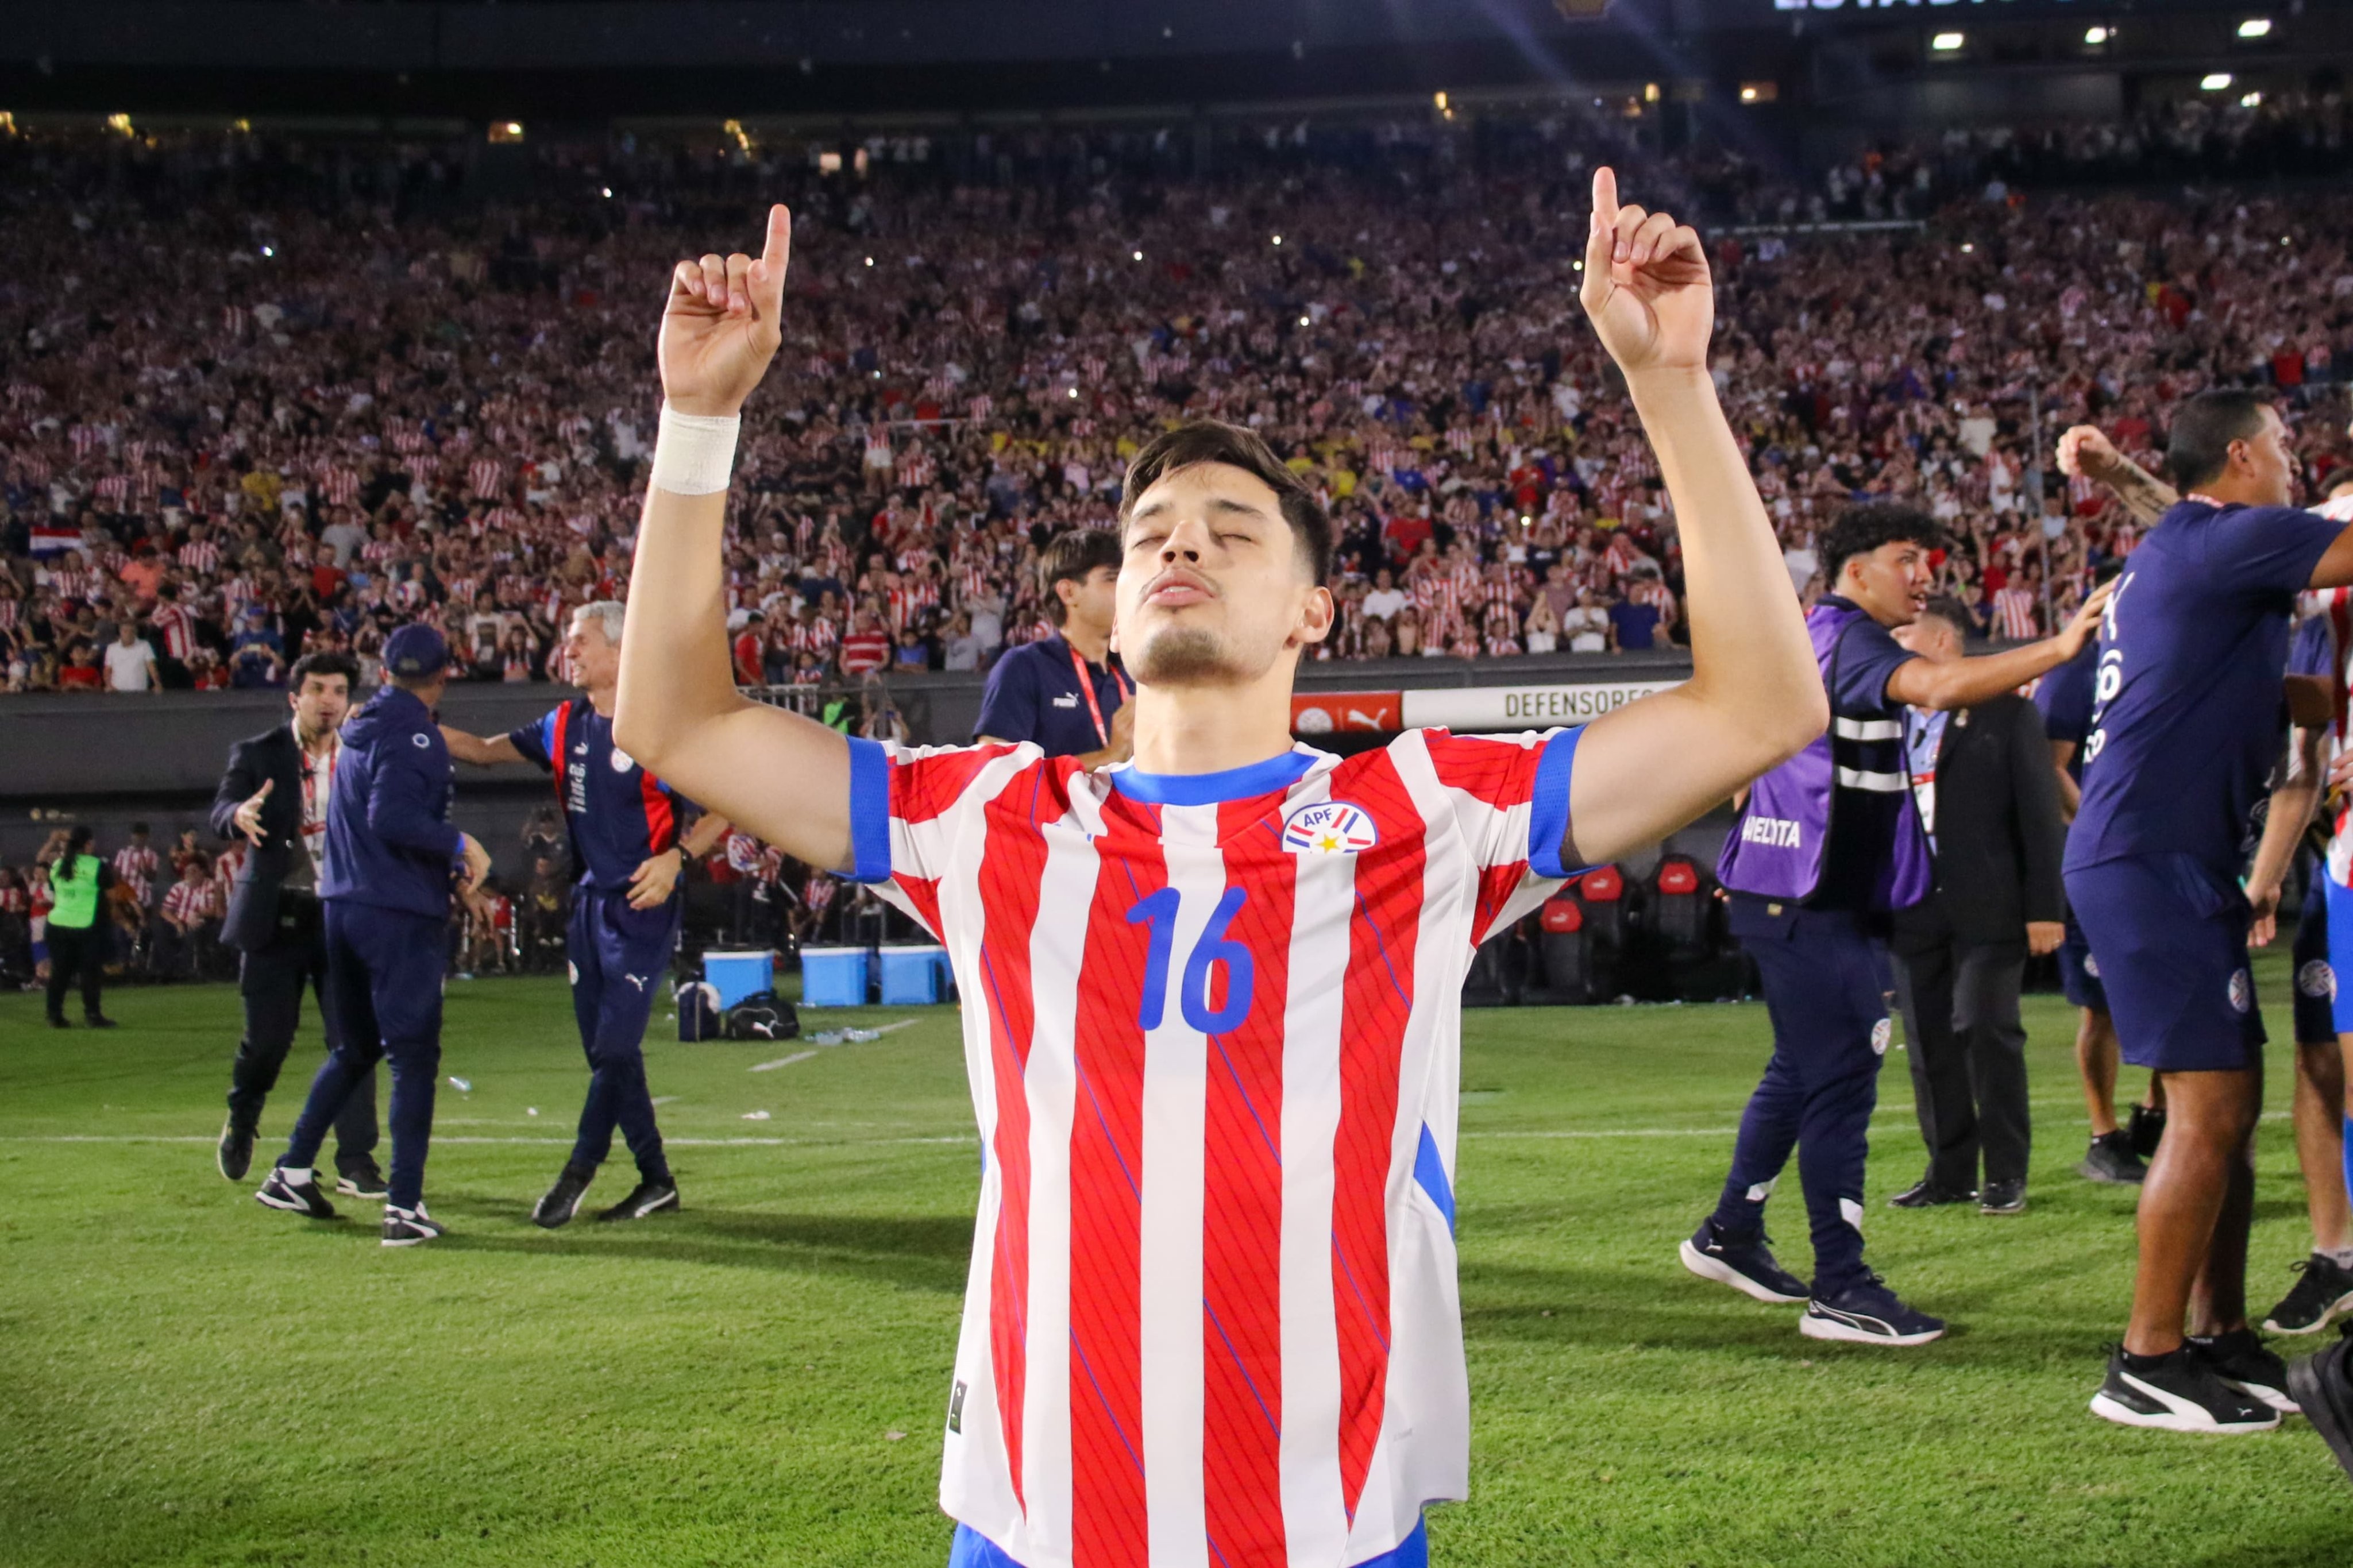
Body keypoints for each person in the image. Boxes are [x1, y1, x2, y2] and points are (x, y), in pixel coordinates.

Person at [614, 175, 1830, 1568]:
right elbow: (679, 722)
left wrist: (1671, 384)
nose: (1180, 540)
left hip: (1327, 1523)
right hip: (1034, 1520)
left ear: (1316, 608)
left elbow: (1757, 711)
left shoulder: (1420, 810)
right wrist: (699, 422)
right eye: (1150, 535)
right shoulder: (993, 814)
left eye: (1232, 529)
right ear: (1115, 610)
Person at [1691, 504, 2105, 1346]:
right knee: (1846, 1064)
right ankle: (1840, 1284)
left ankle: (1731, 1231)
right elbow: (1941, 684)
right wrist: (2062, 648)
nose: (1925, 575)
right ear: (1856, 572)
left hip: (1797, 895)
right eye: (1907, 557)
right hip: (1806, 903)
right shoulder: (1851, 641)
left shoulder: (1813, 634)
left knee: (1802, 1066)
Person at [2057, 393, 2353, 1439]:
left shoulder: (2186, 544)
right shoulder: (2235, 539)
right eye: (2281, 449)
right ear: (2241, 456)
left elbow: (2264, 687)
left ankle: (2218, 1332)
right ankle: (2144, 1360)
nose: (2294, 465)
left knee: (2231, 1101)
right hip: (2153, 857)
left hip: (2161, 853)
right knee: (2210, 1110)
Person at [442, 601, 730, 1226]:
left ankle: (577, 1173)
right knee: (609, 1056)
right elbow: (487, 751)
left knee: (615, 1043)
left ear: (621, 652)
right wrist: (407, 725)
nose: (567, 651)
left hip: (642, 907)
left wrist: (677, 858)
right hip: (588, 909)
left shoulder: (658, 726)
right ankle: (656, 1180)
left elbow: (725, 803)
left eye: (579, 641)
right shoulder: (564, 722)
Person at [253, 624, 491, 1248]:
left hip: (343, 905)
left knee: (355, 1048)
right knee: (414, 1059)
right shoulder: (416, 734)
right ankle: (404, 1207)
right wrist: (460, 845)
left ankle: (293, 1169)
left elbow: (368, 813)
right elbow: (394, 817)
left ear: (383, 671)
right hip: (395, 914)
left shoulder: (359, 728)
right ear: (444, 675)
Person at [1883, 596, 2067, 1216]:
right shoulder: (1887, 721)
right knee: (1929, 1038)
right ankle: (1950, 1170)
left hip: (1990, 906)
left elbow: (2040, 816)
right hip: (1911, 904)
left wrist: (2046, 907)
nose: (1893, 642)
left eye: (1903, 630)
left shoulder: (2006, 714)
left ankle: (2005, 1172)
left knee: (1985, 1029)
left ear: (1941, 643)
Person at [208, 650, 383, 1198]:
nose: (327, 700)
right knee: (267, 1041)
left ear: (349, 701)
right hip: (275, 918)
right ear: (295, 698)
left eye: (337, 690)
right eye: (316, 689)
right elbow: (220, 810)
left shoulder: (363, 754)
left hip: (342, 918)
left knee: (354, 1040)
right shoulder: (258, 754)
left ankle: (356, 1160)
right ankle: (243, 1118)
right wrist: (237, 816)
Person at [2034, 609, 2165, 1185]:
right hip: (2101, 860)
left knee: (2176, 988)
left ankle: (2156, 1114)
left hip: (2164, 850)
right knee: (2103, 1005)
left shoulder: (2161, 656)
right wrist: (2099, 830)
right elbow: (2049, 764)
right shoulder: (2075, 669)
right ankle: (2103, 1134)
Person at [972, 527, 1134, 766]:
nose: (1127, 588)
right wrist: (1110, 757)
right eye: (1112, 578)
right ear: (1068, 592)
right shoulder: (1024, 667)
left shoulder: (1134, 673)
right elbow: (994, 776)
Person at [36, 826, 116, 1029]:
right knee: (90, 973)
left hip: (57, 925)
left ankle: (54, 1015)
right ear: (88, 844)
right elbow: (111, 893)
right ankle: (93, 1015)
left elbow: (56, 889)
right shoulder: (96, 865)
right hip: (86, 926)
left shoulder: (58, 865)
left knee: (60, 973)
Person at [102, 617, 159, 694]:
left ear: (136, 632)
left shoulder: (145, 645)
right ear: (121, 632)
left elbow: (151, 666)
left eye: (132, 631)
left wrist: (157, 684)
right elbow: (108, 669)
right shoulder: (111, 648)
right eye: (126, 631)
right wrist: (109, 685)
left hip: (139, 691)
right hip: (117, 691)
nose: (129, 634)